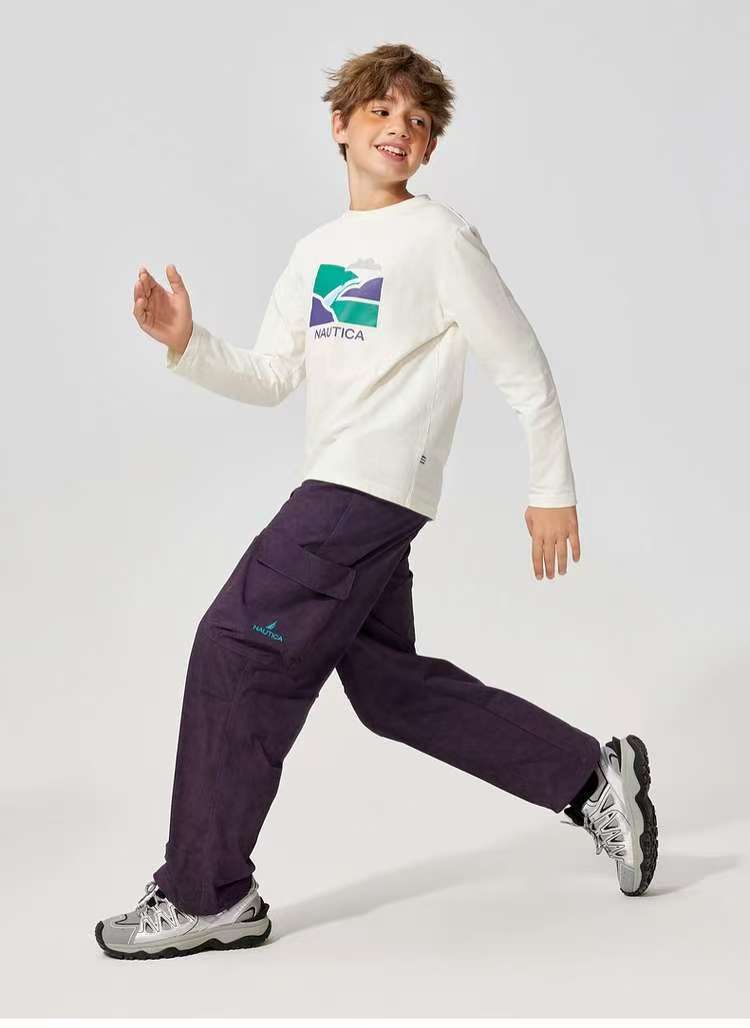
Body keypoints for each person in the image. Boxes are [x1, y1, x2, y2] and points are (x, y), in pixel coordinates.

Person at [95, 42, 657, 961]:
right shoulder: (317, 253)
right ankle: (592, 778)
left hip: (364, 491)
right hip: (345, 488)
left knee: (235, 646)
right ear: (342, 125)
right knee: (391, 692)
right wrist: (187, 343)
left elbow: (523, 365)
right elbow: (273, 375)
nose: (400, 128)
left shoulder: (437, 238)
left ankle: (209, 892)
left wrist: (551, 488)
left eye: (419, 121)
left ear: (429, 148)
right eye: (383, 111)